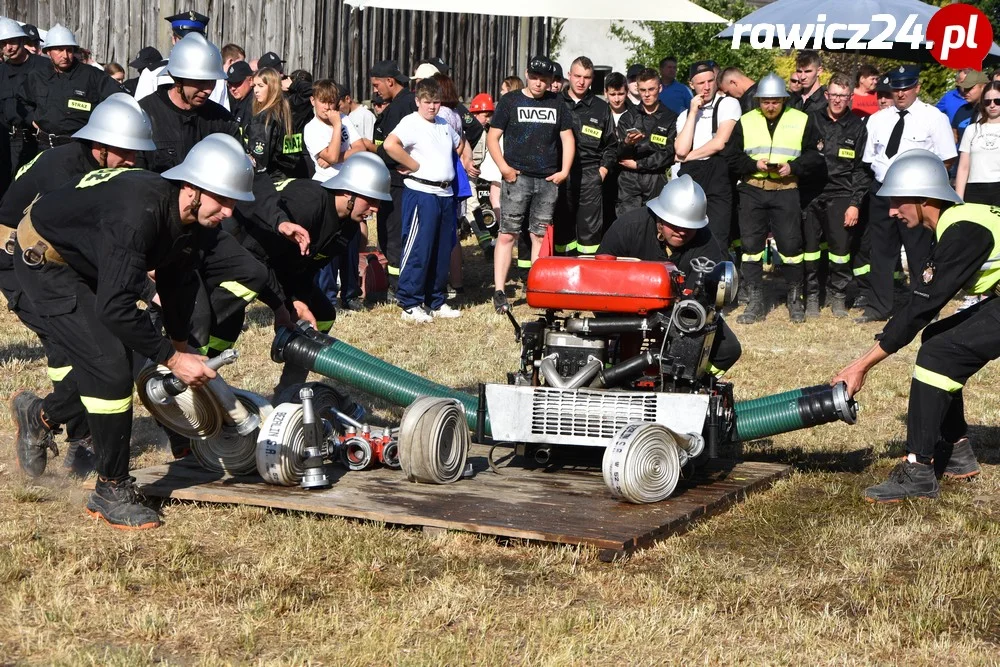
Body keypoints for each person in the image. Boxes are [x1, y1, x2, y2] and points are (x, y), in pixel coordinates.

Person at [13, 134, 291, 529]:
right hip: (47, 260)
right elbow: (116, 308)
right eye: (223, 200)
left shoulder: (189, 218)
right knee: (109, 368)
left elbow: (176, 281)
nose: (229, 212)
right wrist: (173, 359)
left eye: (234, 203)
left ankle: (39, 414)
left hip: (87, 252)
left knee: (115, 361)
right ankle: (111, 489)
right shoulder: (138, 214)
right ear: (193, 188)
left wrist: (179, 343)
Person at [6, 93, 156, 479]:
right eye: (125, 153)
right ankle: (62, 427)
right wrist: (143, 288)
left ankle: (51, 419)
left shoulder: (100, 167)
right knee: (75, 346)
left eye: (136, 155)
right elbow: (97, 245)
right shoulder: (66, 172)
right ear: (100, 146)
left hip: (64, 257)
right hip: (21, 259)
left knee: (94, 345)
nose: (131, 163)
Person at [832, 149, 994, 502]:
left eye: (898, 202)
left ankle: (918, 470)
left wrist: (861, 365)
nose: (891, 212)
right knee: (939, 338)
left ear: (924, 198)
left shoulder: (964, 231)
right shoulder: (960, 220)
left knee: (938, 353)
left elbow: (921, 308)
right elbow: (923, 303)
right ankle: (956, 449)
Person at [240, 152, 390, 394]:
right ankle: (196, 388)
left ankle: (289, 388)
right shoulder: (308, 204)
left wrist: (298, 300)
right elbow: (255, 257)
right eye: (370, 200)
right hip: (242, 253)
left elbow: (306, 267)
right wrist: (282, 305)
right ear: (348, 191)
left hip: (276, 265)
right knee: (225, 321)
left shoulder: (347, 227)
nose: (374, 210)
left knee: (322, 314)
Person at [597, 175, 741, 377]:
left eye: (689, 228)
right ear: (660, 217)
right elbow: (600, 279)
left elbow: (702, 301)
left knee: (729, 350)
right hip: (625, 311)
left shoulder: (707, 244)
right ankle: (614, 376)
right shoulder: (627, 228)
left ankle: (691, 381)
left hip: (679, 316)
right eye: (675, 225)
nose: (682, 232)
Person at [857, 65, 956, 323]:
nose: (901, 94)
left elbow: (946, 159)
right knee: (881, 251)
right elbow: (870, 159)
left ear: (917, 88)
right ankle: (879, 306)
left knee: (919, 253)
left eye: (907, 88)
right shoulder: (878, 119)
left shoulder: (934, 118)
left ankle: (922, 306)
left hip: (917, 195)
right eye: (897, 89)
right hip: (883, 192)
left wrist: (925, 188)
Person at [723, 72, 823, 325]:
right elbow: (731, 157)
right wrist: (753, 163)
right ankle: (756, 301)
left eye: (775, 101)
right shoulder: (745, 121)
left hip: (786, 189)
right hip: (752, 189)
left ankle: (794, 299)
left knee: (791, 248)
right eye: (765, 102)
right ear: (758, 101)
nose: (770, 106)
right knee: (751, 248)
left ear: (784, 100)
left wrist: (795, 167)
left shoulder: (802, 119)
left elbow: (815, 156)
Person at [487, 55, 574, 313]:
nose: (539, 83)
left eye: (544, 79)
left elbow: (568, 139)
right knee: (507, 234)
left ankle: (537, 287)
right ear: (527, 74)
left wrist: (564, 171)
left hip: (547, 180)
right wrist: (504, 169)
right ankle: (500, 291)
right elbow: (493, 137)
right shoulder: (510, 101)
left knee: (539, 236)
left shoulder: (557, 103)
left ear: (551, 81)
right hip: (518, 177)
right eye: (535, 77)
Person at [382, 78, 464, 322]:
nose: (432, 107)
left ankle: (435, 300)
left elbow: (459, 145)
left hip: (445, 193)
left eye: (436, 102)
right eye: (427, 102)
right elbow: (390, 144)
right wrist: (413, 164)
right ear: (417, 101)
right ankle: (410, 301)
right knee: (419, 247)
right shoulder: (410, 122)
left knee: (441, 249)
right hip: (421, 193)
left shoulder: (443, 124)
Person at [801, 73, 871, 319]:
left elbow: (862, 171)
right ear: (827, 94)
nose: (838, 100)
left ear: (850, 97)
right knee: (810, 250)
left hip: (841, 194)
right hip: (810, 194)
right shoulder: (810, 120)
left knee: (840, 251)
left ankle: (838, 295)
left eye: (843, 96)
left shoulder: (858, 127)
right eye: (834, 95)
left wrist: (855, 204)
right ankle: (811, 296)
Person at [304, 79, 367, 312]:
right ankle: (328, 298)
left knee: (350, 244)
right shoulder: (312, 129)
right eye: (323, 102)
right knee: (328, 247)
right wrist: (337, 131)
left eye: (332, 103)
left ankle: (351, 295)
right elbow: (329, 156)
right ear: (313, 101)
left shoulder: (344, 118)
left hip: (350, 186)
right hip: (326, 190)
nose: (328, 108)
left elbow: (361, 148)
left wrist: (337, 155)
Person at [554, 56, 618, 257]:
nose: (581, 82)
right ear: (569, 76)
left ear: (593, 79)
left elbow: (612, 145)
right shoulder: (554, 103)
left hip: (591, 176)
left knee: (589, 234)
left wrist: (602, 171)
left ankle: (587, 272)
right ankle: (564, 271)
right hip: (560, 175)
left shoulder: (601, 108)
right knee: (562, 230)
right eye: (578, 76)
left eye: (587, 77)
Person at [19, 24, 119, 150]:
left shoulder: (93, 75)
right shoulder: (37, 76)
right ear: (48, 52)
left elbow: (119, 100)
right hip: (44, 147)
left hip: (80, 148)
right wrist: (32, 120)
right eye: (59, 50)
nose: (65, 55)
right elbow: (22, 100)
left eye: (69, 50)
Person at [675, 60, 741, 250]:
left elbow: (719, 143)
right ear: (691, 85)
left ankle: (718, 275)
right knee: (687, 230)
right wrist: (693, 112)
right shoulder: (685, 115)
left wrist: (687, 157)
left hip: (718, 176)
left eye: (710, 81)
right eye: (701, 83)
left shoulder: (728, 104)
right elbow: (680, 149)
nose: (706, 87)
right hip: (691, 177)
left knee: (717, 233)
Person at [371, 60, 416, 296]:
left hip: (398, 181)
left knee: (394, 232)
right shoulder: (405, 102)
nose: (375, 90)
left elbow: (391, 149)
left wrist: (370, 149)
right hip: (397, 179)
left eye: (377, 85)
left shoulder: (400, 107)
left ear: (390, 81)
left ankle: (397, 286)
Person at [134, 10, 230, 110]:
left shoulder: (216, 76)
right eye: (185, 41)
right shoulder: (153, 73)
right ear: (174, 39)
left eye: (196, 41)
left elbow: (223, 116)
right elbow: (142, 114)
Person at [615, 67, 676, 217]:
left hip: (656, 178)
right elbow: (618, 153)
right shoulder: (627, 117)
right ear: (637, 89)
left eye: (651, 89)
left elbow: (668, 153)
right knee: (627, 224)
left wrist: (639, 164)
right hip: (629, 179)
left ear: (660, 88)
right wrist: (627, 143)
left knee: (655, 224)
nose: (647, 94)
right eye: (643, 90)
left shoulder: (671, 118)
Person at [0, 17, 48, 189]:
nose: (8, 48)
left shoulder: (44, 66)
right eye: (3, 44)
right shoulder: (1, 72)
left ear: (22, 41)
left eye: (12, 42)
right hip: (8, 143)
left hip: (39, 140)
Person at [247, 67, 300, 178]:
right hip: (289, 178)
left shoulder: (264, 118)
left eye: (260, 86)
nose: (256, 90)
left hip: (269, 181)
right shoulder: (287, 114)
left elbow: (258, 161)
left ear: (272, 88)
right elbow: (294, 156)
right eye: (254, 86)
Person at [955, 81, 1000, 207]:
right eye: (987, 101)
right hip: (974, 189)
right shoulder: (971, 129)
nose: (992, 105)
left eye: (997, 101)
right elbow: (963, 167)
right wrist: (958, 199)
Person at [951, 70, 988, 147]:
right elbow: (954, 138)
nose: (965, 92)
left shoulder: (992, 111)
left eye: (970, 88)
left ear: (983, 87)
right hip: (963, 157)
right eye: (964, 88)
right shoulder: (962, 110)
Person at [789, 50, 826, 115]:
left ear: (819, 71)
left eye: (807, 71)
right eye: (799, 71)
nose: (802, 77)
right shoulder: (791, 99)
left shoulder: (827, 100)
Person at [225, 60, 254, 130]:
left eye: (237, 83)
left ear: (250, 80)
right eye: (230, 84)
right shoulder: (236, 101)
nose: (232, 88)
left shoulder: (254, 104)